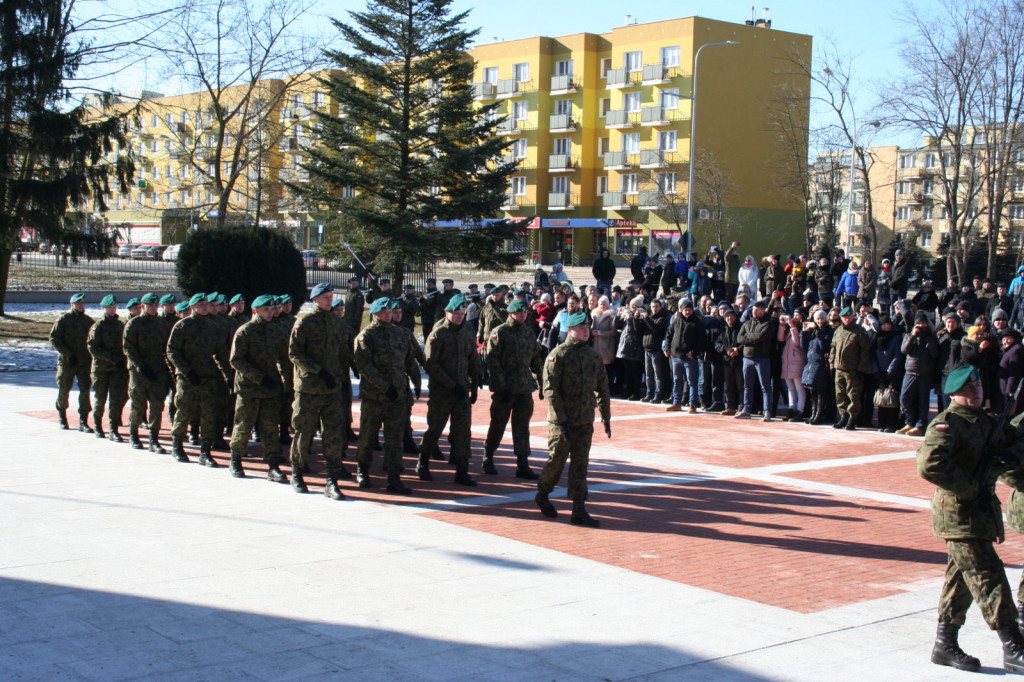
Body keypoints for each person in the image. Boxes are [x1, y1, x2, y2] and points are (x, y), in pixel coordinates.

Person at [917, 365, 1024, 673]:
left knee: (961, 579)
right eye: (970, 389)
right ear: (954, 393)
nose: (976, 392)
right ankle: (1012, 644)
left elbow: (1014, 438)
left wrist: (1012, 455)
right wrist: (969, 486)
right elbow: (929, 465)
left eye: (978, 387)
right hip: (958, 514)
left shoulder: (987, 421)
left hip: (980, 511)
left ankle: (944, 644)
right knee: (988, 575)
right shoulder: (947, 424)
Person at [534, 312, 611, 527]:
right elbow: (550, 390)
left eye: (587, 328)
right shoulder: (558, 355)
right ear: (570, 330)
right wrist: (560, 419)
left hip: (584, 420)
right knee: (556, 461)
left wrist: (606, 416)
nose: (586, 331)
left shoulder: (593, 355)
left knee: (580, 465)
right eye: (581, 328)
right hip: (562, 422)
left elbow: (602, 387)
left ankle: (578, 509)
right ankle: (542, 493)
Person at [288, 283, 353, 499]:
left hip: (332, 389)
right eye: (325, 297)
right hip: (309, 388)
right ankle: (297, 473)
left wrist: (344, 378)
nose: (329, 300)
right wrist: (318, 371)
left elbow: (344, 354)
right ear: (315, 300)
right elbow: (294, 353)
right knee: (303, 432)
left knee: (333, 434)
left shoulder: (337, 323)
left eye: (330, 296)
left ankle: (332, 480)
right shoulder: (304, 322)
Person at [354, 297, 421, 494]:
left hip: (397, 397)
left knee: (394, 438)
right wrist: (384, 387)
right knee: (367, 436)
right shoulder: (366, 336)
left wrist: (416, 381)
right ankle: (363, 471)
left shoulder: (401, 333)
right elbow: (364, 366)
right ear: (374, 313)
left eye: (390, 312)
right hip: (374, 397)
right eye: (384, 312)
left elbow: (409, 360)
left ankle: (394, 477)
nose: (388, 315)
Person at [417, 295, 479, 485]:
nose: (460, 317)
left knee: (462, 431)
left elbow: (472, 358)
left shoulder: (467, 329)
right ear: (447, 313)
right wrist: (452, 385)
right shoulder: (438, 333)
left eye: (463, 314)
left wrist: (475, 384)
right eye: (456, 314)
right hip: (442, 392)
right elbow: (431, 365)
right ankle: (423, 462)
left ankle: (462, 470)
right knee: (435, 428)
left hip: (461, 391)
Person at [482, 298, 547, 478]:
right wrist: (500, 387)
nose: (523, 315)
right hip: (505, 389)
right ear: (511, 313)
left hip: (524, 388)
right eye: (519, 312)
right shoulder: (500, 333)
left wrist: (541, 383)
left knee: (522, 426)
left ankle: (522, 464)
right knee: (498, 424)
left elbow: (536, 360)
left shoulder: (528, 333)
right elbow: (492, 361)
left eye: (525, 312)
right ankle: (488, 456)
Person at [229, 294, 290, 483]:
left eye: (272, 309)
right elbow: (236, 360)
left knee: (270, 427)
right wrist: (259, 377)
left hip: (270, 388)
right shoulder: (245, 331)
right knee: (243, 424)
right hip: (249, 388)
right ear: (255, 311)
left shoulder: (276, 330)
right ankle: (236, 460)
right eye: (266, 310)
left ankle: (273, 465)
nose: (270, 313)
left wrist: (286, 383)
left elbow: (283, 359)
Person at [167, 293, 230, 467]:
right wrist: (187, 371)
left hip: (208, 377)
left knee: (208, 415)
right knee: (184, 411)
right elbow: (172, 351)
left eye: (206, 304)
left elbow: (221, 352)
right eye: (200, 304)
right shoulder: (183, 325)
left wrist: (228, 374)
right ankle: (177, 445)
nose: (204, 307)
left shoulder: (213, 326)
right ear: (193, 307)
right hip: (188, 378)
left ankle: (205, 451)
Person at [123, 292, 173, 453]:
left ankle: (154, 438)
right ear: (143, 306)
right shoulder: (134, 324)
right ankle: (134, 434)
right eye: (150, 305)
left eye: (155, 305)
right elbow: (128, 347)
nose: (153, 308)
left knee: (157, 404)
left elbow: (168, 347)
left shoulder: (162, 324)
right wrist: (140, 366)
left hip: (158, 371)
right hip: (139, 371)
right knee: (138, 404)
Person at [49, 292, 94, 431]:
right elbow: (54, 339)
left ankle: (83, 420)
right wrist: (68, 354)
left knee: (85, 390)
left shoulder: (88, 321)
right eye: (78, 303)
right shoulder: (63, 319)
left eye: (82, 303)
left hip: (84, 362)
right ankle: (62, 416)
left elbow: (93, 341)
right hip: (67, 362)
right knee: (64, 388)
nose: (81, 305)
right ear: (72, 305)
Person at [86, 294, 128, 442]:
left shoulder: (120, 325)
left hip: (117, 370)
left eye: (114, 307)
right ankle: (98, 425)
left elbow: (125, 345)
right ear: (103, 308)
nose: (112, 309)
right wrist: (112, 359)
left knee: (115, 399)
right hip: (101, 369)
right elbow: (93, 348)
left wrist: (123, 361)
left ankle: (113, 428)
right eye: (109, 307)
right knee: (100, 399)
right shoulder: (98, 326)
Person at [829, 306, 874, 431]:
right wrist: (832, 365)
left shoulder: (859, 331)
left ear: (853, 317)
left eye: (848, 317)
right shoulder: (838, 330)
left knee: (853, 395)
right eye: (844, 317)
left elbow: (865, 351)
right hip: (839, 368)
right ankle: (843, 416)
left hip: (852, 369)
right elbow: (833, 348)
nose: (846, 319)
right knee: (840, 394)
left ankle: (852, 418)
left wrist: (861, 368)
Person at [735, 299, 777, 421]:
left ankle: (767, 411)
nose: (754, 312)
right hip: (747, 358)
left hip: (762, 359)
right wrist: (753, 339)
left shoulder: (768, 324)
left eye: (757, 310)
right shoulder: (747, 323)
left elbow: (761, 336)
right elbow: (739, 338)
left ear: (763, 311)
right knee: (747, 386)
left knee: (765, 386)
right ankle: (746, 409)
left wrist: (749, 338)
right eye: (753, 310)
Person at [899, 312, 939, 436]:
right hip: (910, 371)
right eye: (919, 323)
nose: (921, 326)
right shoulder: (909, 335)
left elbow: (935, 354)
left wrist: (929, 340)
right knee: (905, 398)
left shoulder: (931, 337)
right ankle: (909, 422)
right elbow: (904, 350)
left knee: (923, 400)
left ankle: (921, 425)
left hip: (925, 372)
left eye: (923, 323)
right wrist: (913, 336)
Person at [665, 298, 706, 413]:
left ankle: (692, 403)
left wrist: (694, 353)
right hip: (676, 357)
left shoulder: (697, 323)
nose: (687, 312)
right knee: (677, 380)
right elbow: (668, 335)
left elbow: (702, 341)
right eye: (685, 310)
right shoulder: (676, 321)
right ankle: (676, 402)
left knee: (692, 381)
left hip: (689, 358)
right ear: (681, 310)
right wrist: (668, 349)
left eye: (689, 310)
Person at [777, 310, 806, 421]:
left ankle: (800, 410)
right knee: (790, 388)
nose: (794, 318)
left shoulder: (801, 329)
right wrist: (782, 325)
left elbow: (797, 342)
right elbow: (780, 338)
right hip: (787, 362)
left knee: (799, 388)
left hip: (796, 362)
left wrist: (793, 326)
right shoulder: (789, 330)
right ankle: (791, 409)